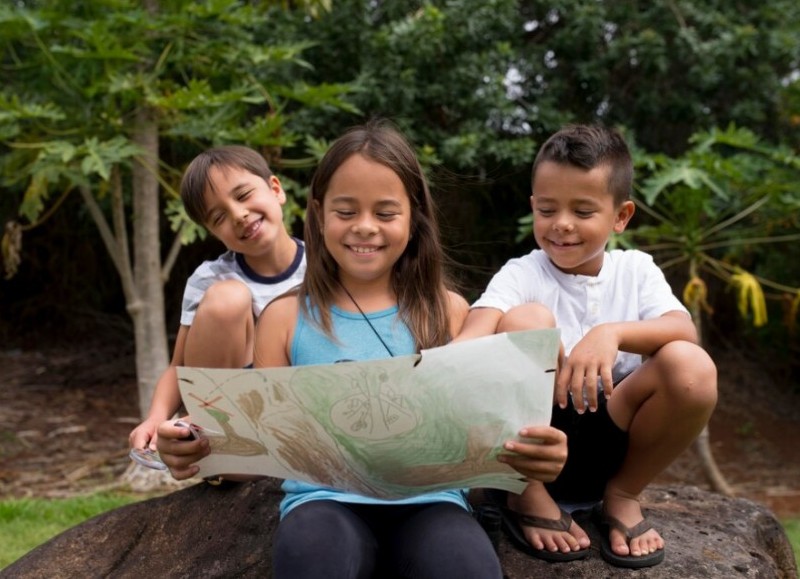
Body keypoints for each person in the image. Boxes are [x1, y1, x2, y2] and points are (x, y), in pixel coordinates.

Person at [156, 120, 569, 578]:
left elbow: (484, 435)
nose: (365, 228)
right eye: (346, 211)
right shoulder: (283, 318)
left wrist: (535, 458)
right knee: (314, 556)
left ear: (414, 218)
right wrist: (196, 449)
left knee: (465, 565)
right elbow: (258, 453)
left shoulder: (450, 312)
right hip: (322, 503)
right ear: (318, 213)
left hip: (434, 503)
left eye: (386, 213)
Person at [457, 124, 718, 568]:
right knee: (527, 319)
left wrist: (611, 333)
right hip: (532, 445)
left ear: (620, 216)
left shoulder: (635, 270)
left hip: (610, 437)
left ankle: (622, 495)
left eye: (582, 210)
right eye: (547, 208)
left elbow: (682, 327)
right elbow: (475, 331)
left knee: (690, 364)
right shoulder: (523, 274)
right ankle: (527, 496)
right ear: (533, 207)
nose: (561, 224)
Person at [128, 145, 306, 455]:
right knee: (229, 297)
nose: (239, 215)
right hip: (240, 409)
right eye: (219, 216)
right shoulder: (210, 279)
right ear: (213, 231)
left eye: (243, 195)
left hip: (306, 401)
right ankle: (216, 438)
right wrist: (156, 419)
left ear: (275, 189)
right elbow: (177, 367)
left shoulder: (327, 265)